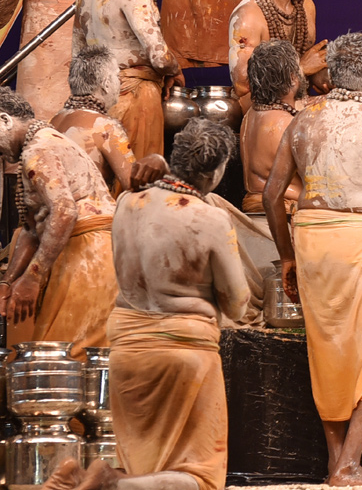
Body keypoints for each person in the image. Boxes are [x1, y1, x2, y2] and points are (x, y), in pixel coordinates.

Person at [40, 118, 251, 490]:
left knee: (145, 469)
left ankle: (80, 481)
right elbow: (237, 304)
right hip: (185, 354)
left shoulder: (125, 203)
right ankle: (109, 482)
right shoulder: (210, 219)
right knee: (200, 476)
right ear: (217, 172)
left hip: (126, 350)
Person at [264, 32, 362, 487]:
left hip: (310, 238)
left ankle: (338, 466)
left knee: (327, 348)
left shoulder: (304, 121)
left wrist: (287, 256)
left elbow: (274, 197)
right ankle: (350, 464)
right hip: (360, 240)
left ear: (330, 74)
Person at [0, 86, 119, 360]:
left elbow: (64, 212)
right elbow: (34, 228)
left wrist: (33, 277)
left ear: (5, 120)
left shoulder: (38, 151)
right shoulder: (44, 141)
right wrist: (9, 281)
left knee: (67, 358)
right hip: (93, 253)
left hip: (88, 256)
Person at [73, 0, 182, 159]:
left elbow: (77, 53)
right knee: (136, 179)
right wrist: (175, 69)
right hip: (135, 98)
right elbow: (159, 55)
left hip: (96, 99)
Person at [228, 0, 329, 112]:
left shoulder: (306, 7)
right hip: (262, 109)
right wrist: (301, 69)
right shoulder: (248, 17)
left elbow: (309, 65)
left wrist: (326, 75)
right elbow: (244, 90)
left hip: (298, 99)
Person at [51, 46, 168, 194]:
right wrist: (161, 164)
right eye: (117, 77)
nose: (119, 83)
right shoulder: (105, 127)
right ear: (106, 84)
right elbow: (134, 185)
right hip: (91, 214)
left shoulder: (55, 120)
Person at [240, 39, 303, 217]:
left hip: (257, 210)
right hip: (285, 215)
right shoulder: (287, 124)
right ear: (293, 78)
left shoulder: (250, 115)